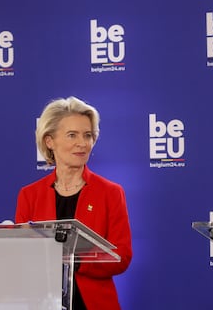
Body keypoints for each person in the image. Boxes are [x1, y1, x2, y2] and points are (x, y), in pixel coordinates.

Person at [15, 96, 132, 310]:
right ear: (50, 141)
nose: (82, 143)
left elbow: (121, 256)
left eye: (88, 135)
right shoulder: (29, 195)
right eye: (72, 135)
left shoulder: (111, 193)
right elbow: (23, 258)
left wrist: (75, 261)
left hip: (94, 304)